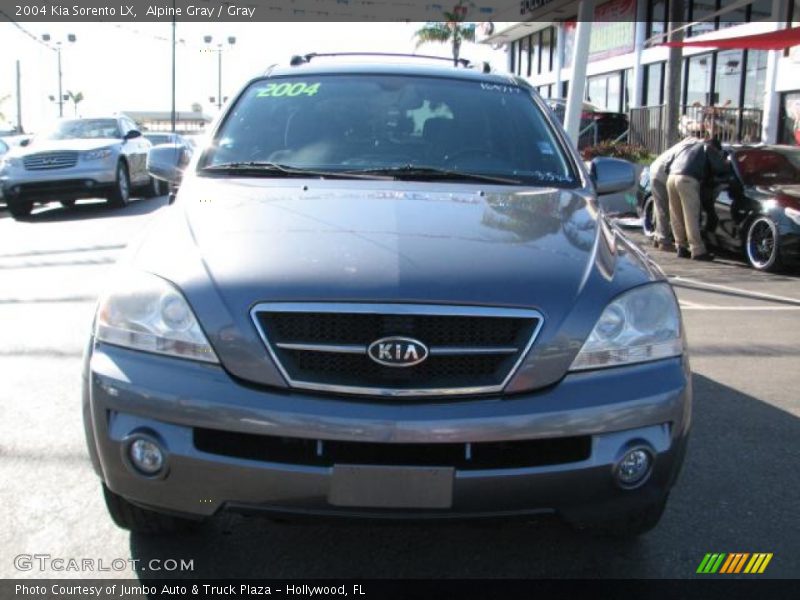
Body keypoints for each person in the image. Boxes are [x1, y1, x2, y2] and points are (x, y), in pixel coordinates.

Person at [666, 136, 729, 261]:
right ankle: (697, 250)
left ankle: (681, 247)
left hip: (671, 177)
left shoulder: (687, 145)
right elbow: (720, 168)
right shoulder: (708, 147)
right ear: (716, 147)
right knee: (691, 216)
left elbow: (668, 163)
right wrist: (726, 163)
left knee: (676, 214)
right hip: (687, 179)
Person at [648, 137, 699, 251]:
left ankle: (658, 237)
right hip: (662, 174)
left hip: (656, 170)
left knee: (659, 207)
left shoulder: (685, 144)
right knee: (663, 209)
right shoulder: (695, 147)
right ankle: (664, 241)